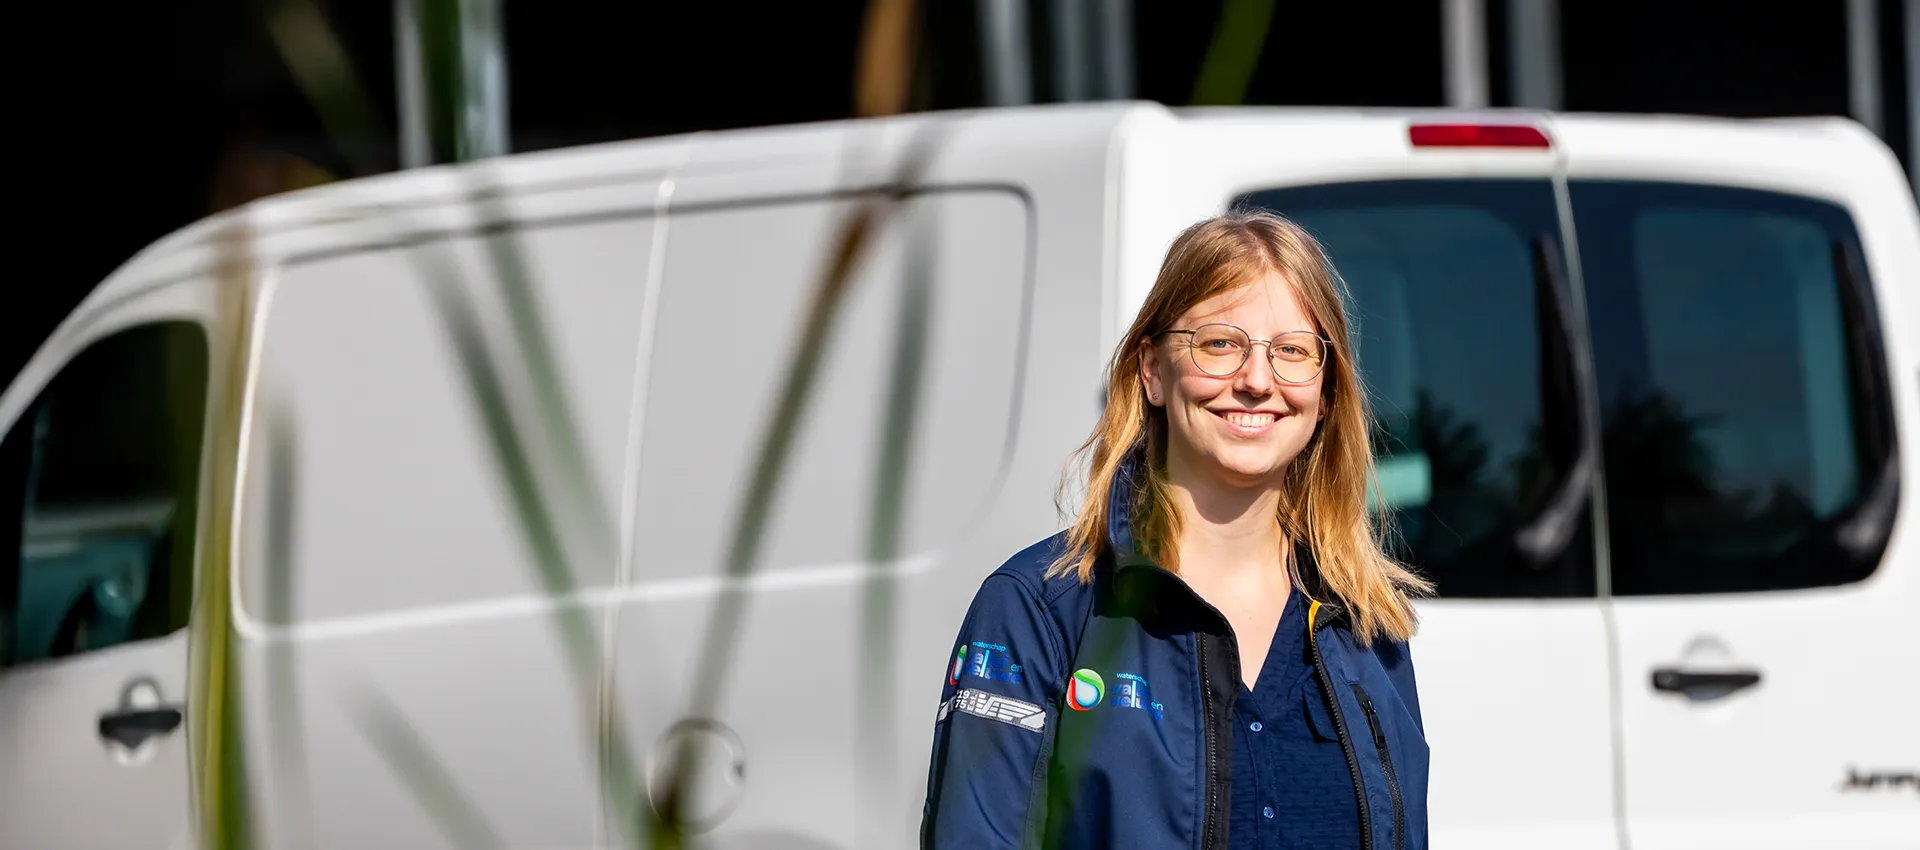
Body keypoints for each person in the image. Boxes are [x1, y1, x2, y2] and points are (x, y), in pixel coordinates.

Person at [920, 210, 1432, 849]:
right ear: (1153, 371)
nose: (1256, 380)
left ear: (1326, 392)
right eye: (1220, 343)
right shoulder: (1040, 611)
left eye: (1293, 351)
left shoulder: (1366, 628)